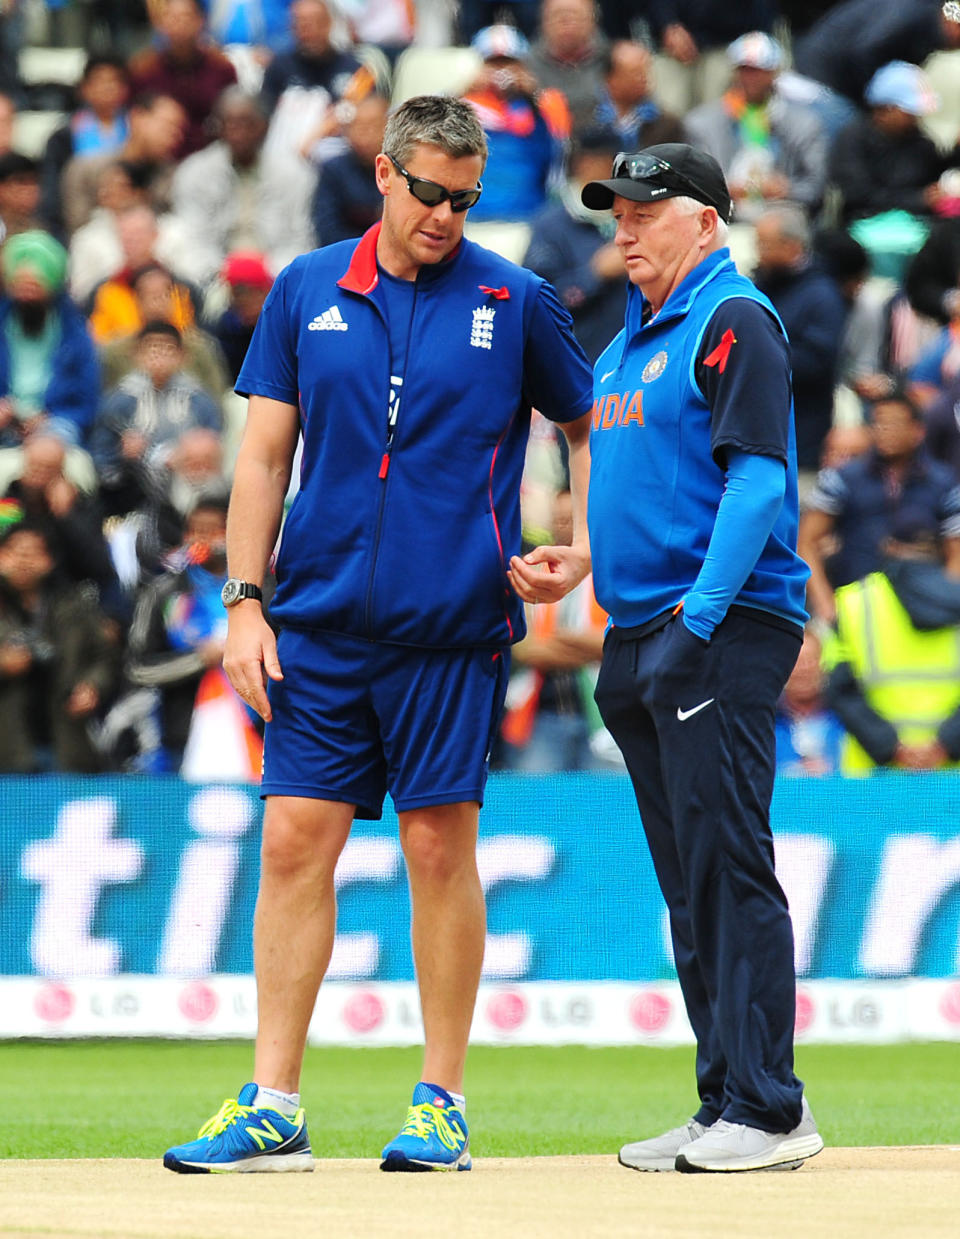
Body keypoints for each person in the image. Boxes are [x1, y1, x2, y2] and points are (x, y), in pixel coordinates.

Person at [162, 94, 593, 1174]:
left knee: (437, 848)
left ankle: (440, 1100)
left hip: (451, 627)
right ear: (387, 179)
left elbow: (588, 424)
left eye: (467, 198)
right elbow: (261, 461)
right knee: (293, 842)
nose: (448, 216)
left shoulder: (518, 296)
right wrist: (244, 604)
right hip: (314, 623)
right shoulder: (307, 288)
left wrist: (579, 543)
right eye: (432, 194)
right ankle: (273, 1105)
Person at [580, 143, 823, 1172]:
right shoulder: (627, 343)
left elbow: (758, 485)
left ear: (708, 223)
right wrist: (578, 563)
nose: (624, 229)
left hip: (712, 627)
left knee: (728, 866)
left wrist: (700, 622)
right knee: (689, 882)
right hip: (643, 631)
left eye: (646, 210)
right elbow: (647, 489)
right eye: (617, 214)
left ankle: (770, 1109)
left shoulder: (733, 320)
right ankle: (724, 1093)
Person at [798, 389, 960, 625]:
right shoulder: (843, 479)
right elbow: (807, 541)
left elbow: (956, 552)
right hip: (855, 606)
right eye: (879, 423)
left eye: (894, 423)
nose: (885, 431)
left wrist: (946, 601)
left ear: (917, 431)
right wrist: (826, 606)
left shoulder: (942, 483)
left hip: (923, 610)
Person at [823, 519, 960, 773]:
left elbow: (839, 688)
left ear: (888, 547)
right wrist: (944, 746)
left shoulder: (852, 602)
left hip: (875, 785)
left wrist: (892, 749)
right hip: (952, 781)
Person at [0, 521, 118, 773]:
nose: (23, 561)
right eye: (15, 552)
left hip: (65, 734)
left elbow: (105, 657)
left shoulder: (73, 603)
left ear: (49, 560)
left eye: (32, 552)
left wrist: (93, 686)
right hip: (8, 741)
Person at [171, 87, 313, 288]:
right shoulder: (194, 172)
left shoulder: (295, 174)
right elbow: (192, 238)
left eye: (246, 123)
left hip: (277, 278)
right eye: (229, 123)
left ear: (264, 125)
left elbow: (302, 239)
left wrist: (263, 274)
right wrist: (224, 275)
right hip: (213, 279)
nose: (237, 132)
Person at [684, 32, 827, 224]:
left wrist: (786, 189)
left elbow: (816, 185)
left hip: (783, 216)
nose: (750, 78)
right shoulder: (701, 123)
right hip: (724, 216)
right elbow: (693, 182)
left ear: (774, 72)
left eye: (758, 70)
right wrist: (723, 189)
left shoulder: (804, 123)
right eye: (744, 70)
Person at [752, 204, 848, 482]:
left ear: (792, 246)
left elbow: (817, 362)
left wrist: (757, 359)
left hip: (801, 432)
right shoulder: (758, 284)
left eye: (765, 244)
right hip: (758, 423)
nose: (759, 251)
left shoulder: (822, 294)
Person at [523, 126, 627, 364]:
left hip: (631, 369)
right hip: (575, 367)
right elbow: (536, 306)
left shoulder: (632, 222)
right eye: (605, 163)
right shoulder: (551, 226)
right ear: (582, 163)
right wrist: (595, 274)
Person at [0, 231, 100, 449]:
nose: (27, 294)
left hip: (56, 422)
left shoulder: (76, 333)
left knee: (47, 450)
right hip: (5, 421)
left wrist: (47, 418)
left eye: (34, 287)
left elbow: (86, 402)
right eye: (21, 285)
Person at [128, 0, 238, 160]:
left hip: (212, 154)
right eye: (171, 17)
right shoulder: (144, 70)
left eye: (185, 17)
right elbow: (135, 119)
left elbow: (232, 114)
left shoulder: (222, 67)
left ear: (201, 21)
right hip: (159, 159)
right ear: (160, 23)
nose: (179, 24)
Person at [311, 91, 388, 246]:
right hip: (346, 254)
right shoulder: (333, 170)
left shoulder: (401, 169)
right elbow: (326, 230)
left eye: (373, 126)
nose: (365, 135)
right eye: (358, 127)